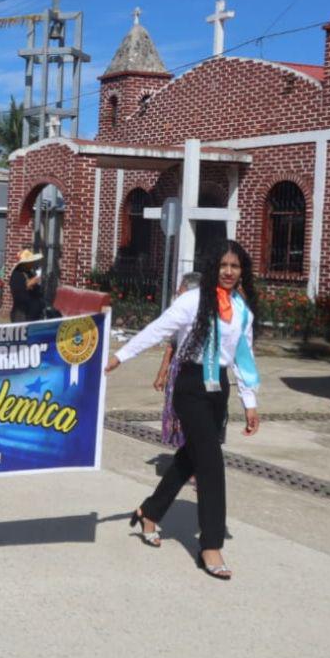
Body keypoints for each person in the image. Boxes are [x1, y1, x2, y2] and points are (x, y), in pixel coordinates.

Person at [105, 241, 261, 579]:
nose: (229, 272)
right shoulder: (192, 301)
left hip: (218, 389)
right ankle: (211, 545)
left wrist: (250, 402)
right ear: (213, 267)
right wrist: (120, 357)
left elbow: (244, 358)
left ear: (242, 270)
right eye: (223, 265)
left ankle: (150, 511)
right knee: (211, 464)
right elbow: (156, 330)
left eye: (235, 266)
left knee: (191, 456)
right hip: (190, 386)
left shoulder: (241, 309)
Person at [154, 271, 204, 449]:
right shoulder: (181, 314)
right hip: (178, 370)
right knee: (177, 412)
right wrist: (161, 374)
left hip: (197, 372)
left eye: (181, 289)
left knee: (193, 415)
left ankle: (193, 459)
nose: (177, 292)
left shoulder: (204, 317)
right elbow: (170, 346)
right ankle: (185, 455)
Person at [8, 248, 47, 322]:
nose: (32, 263)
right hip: (22, 314)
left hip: (33, 314)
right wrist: (27, 285)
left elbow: (37, 292)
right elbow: (18, 296)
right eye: (30, 262)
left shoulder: (29, 273)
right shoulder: (17, 274)